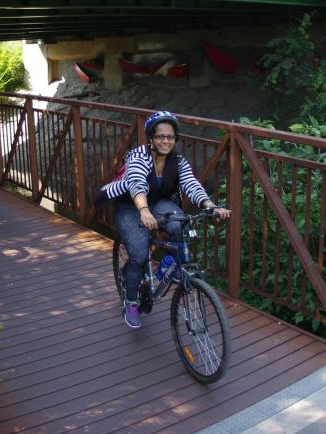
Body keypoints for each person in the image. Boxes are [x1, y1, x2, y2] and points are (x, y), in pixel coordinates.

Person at [97, 110, 231, 328]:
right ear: (151, 137)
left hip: (157, 202)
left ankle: (169, 265)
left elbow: (191, 183)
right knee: (139, 255)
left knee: (179, 223)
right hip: (131, 205)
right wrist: (143, 210)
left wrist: (210, 205)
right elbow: (137, 184)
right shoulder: (138, 157)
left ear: (175, 138)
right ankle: (131, 301)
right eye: (160, 136)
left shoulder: (177, 160)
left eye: (170, 136)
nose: (165, 141)